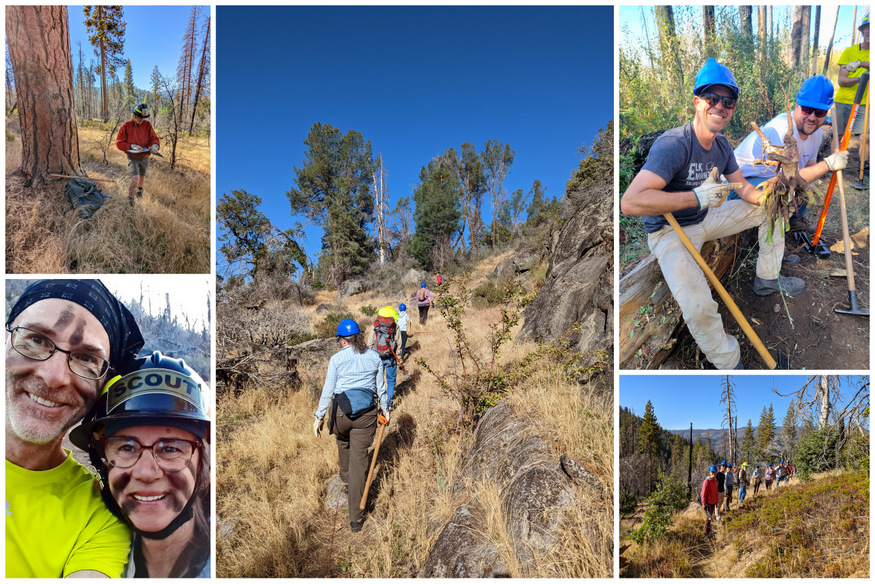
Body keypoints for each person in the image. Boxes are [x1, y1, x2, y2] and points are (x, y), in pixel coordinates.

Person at [621, 58, 805, 370]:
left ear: (733, 108)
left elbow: (743, 188)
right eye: (712, 98)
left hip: (708, 217)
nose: (720, 106)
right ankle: (730, 362)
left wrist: (770, 196)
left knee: (773, 211)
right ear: (697, 102)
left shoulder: (722, 146)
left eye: (728, 101)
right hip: (670, 232)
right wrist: (694, 197)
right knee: (698, 304)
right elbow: (631, 202)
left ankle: (767, 277)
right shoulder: (674, 144)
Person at [6, 279, 145, 577]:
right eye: (36, 339)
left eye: (85, 358)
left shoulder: (99, 518)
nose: (53, 376)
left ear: (101, 388)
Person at [70, 352, 212, 578]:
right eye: (126, 447)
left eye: (171, 448)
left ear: (204, 461)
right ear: (103, 462)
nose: (146, 473)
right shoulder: (92, 542)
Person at [734, 75, 847, 234]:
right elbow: (786, 180)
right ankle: (761, 237)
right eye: (807, 109)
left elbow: (809, 165)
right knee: (784, 193)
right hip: (739, 184)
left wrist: (811, 183)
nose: (812, 117)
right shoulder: (783, 130)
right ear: (797, 105)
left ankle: (790, 225)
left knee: (802, 191)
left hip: (769, 179)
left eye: (819, 112)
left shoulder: (817, 134)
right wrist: (828, 164)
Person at [313, 319, 389, 533]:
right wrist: (385, 409)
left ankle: (345, 479)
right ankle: (355, 518)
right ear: (358, 337)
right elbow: (380, 388)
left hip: (341, 413)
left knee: (341, 439)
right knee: (360, 463)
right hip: (367, 414)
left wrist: (319, 416)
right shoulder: (374, 357)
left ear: (342, 340)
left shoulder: (337, 359)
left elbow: (328, 389)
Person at [835, 10, 869, 147]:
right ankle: (833, 167)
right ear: (862, 31)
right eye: (866, 28)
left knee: (866, 138)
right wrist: (861, 79)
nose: (869, 31)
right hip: (843, 101)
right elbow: (841, 81)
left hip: (865, 104)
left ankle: (865, 168)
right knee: (838, 136)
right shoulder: (849, 51)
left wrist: (861, 63)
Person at [116, 103, 160, 204]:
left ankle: (140, 192)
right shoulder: (126, 126)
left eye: (144, 118)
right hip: (133, 157)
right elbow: (119, 143)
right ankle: (130, 200)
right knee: (135, 180)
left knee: (142, 176)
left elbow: (154, 138)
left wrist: (155, 145)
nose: (142, 120)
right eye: (140, 118)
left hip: (144, 156)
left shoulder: (147, 125)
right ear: (135, 115)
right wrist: (131, 146)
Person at [373, 305, 400, 410]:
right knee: (391, 380)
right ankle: (388, 404)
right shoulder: (395, 326)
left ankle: (375, 403)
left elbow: (371, 341)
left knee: (377, 380)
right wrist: (398, 357)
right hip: (390, 357)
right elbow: (398, 342)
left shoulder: (376, 325)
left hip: (376, 357)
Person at [701, 465, 719, 535]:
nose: (713, 474)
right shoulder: (706, 481)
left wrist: (716, 502)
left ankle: (709, 530)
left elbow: (716, 492)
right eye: (712, 472)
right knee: (708, 518)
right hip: (707, 504)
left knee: (710, 517)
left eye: (714, 472)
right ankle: (705, 533)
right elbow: (703, 493)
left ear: (716, 473)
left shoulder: (715, 481)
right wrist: (703, 503)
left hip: (713, 503)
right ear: (709, 472)